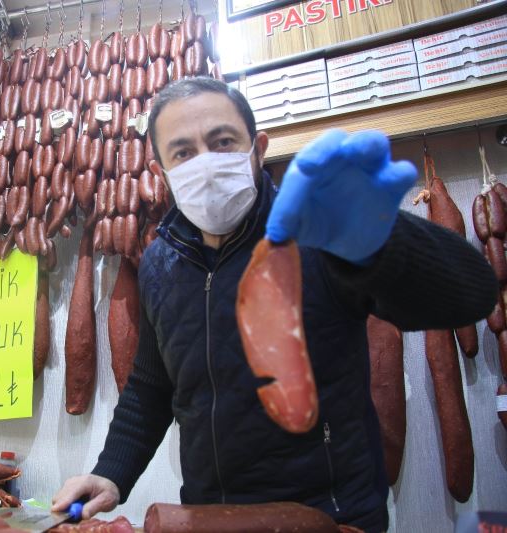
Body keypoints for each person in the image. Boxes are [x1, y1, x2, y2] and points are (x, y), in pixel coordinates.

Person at [52, 77, 496, 532]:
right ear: (161, 169)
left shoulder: (318, 231)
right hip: (212, 519)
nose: (204, 163)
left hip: (330, 519)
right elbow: (151, 387)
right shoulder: (159, 265)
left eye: (223, 142)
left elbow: (471, 294)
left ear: (257, 148)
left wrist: (379, 236)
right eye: (183, 152)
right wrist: (110, 472)